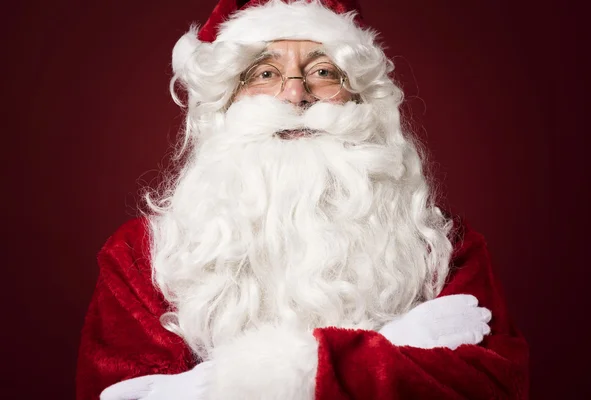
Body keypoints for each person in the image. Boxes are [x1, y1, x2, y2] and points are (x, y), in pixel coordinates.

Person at [76, 1, 529, 399]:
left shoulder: (443, 247)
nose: (296, 95)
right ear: (226, 103)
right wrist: (379, 358)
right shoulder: (141, 255)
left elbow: (491, 385)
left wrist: (218, 388)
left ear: (360, 99)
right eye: (266, 74)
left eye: (323, 72)